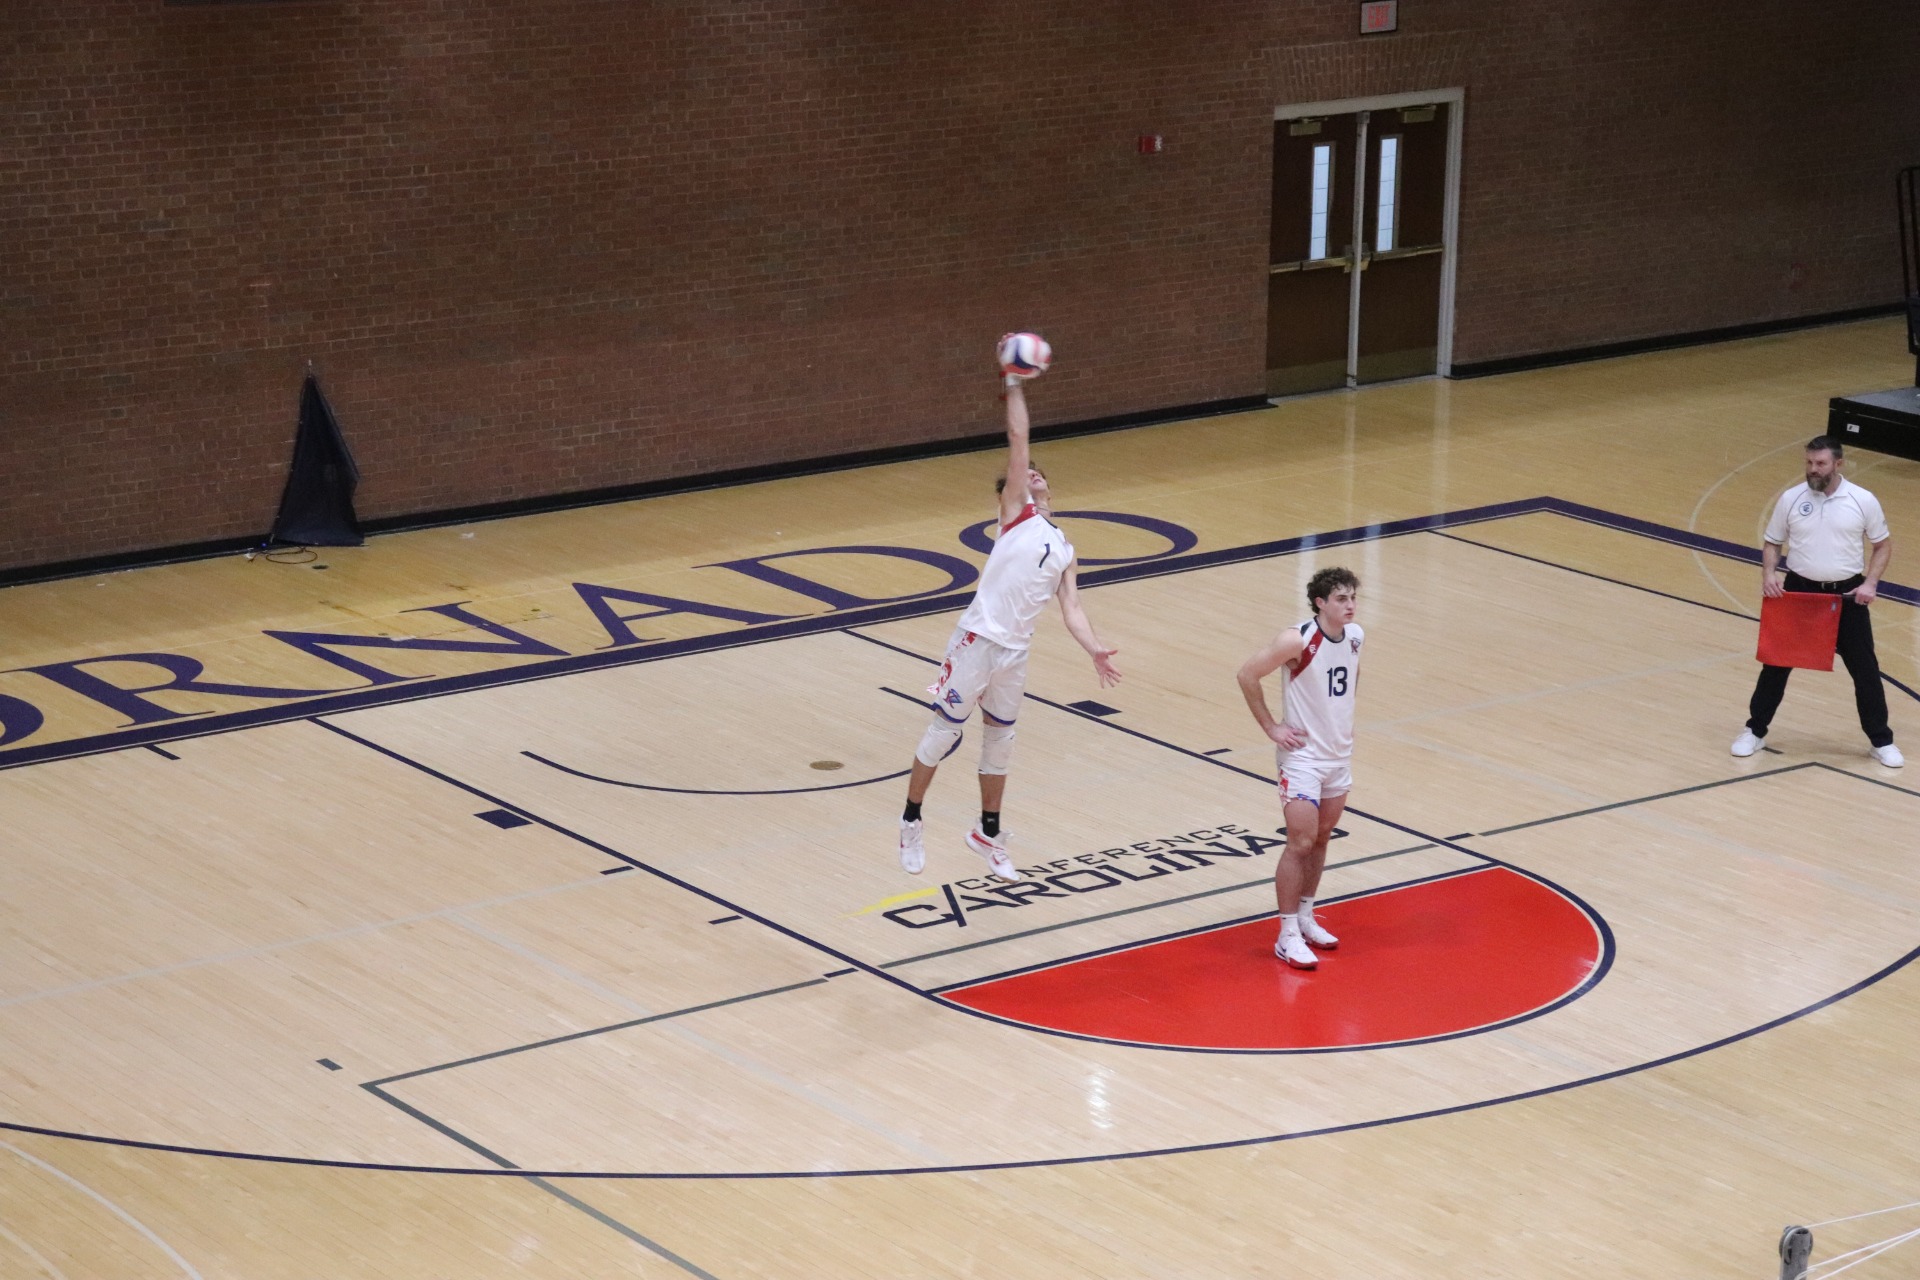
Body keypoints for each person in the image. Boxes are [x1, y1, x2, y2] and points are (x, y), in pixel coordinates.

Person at [896, 370, 1121, 881]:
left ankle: (987, 832)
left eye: (1040, 473)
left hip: (1015, 652)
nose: (1033, 474)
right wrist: (1014, 384)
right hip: (978, 639)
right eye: (1027, 473)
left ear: (1052, 486)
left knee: (1000, 742)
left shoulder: (1064, 548)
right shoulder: (1017, 513)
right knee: (941, 735)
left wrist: (1094, 650)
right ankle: (911, 818)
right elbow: (1019, 439)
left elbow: (1073, 609)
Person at [1732, 436, 1902, 768]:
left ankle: (1881, 740)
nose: (1813, 469)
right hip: (1799, 592)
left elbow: (1882, 545)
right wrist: (1769, 574)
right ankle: (1755, 731)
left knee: (1865, 671)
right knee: (1776, 665)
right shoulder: (1791, 499)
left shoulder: (1862, 500)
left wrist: (1870, 582)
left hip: (1847, 596)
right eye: (1809, 463)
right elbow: (1772, 542)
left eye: (1820, 464)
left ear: (1838, 464)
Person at [1235, 567, 1363, 970]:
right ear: (1320, 602)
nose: (1350, 605)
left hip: (1338, 756)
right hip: (1303, 759)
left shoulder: (1356, 637)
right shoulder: (1296, 639)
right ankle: (1286, 932)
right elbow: (1246, 674)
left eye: (1353, 598)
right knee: (1300, 842)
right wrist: (1272, 727)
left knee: (1323, 838)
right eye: (1341, 598)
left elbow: (1345, 686)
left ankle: (1306, 916)